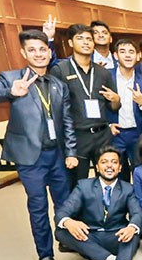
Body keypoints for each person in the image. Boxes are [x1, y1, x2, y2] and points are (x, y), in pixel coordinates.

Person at [0, 29, 77, 260]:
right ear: (23, 52)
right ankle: (45, 254)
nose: (38, 54)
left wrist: (71, 151)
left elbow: (67, 122)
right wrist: (10, 92)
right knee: (38, 206)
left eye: (42, 49)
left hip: (58, 156)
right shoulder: (12, 79)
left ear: (49, 52)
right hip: (31, 158)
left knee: (64, 203)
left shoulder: (58, 85)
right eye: (32, 50)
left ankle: (65, 239)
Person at [54, 146, 142, 260]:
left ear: (120, 167)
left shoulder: (128, 189)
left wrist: (131, 227)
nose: (109, 166)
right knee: (61, 231)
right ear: (97, 166)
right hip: (89, 238)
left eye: (114, 162)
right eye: (104, 162)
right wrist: (69, 222)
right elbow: (61, 213)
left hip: (116, 236)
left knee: (134, 233)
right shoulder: (84, 186)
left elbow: (137, 214)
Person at [49, 23, 120, 181]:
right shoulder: (60, 70)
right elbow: (55, 109)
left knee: (109, 178)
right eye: (80, 39)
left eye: (89, 39)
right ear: (70, 43)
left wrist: (116, 100)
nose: (86, 42)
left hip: (102, 135)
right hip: (77, 136)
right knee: (77, 182)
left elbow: (113, 108)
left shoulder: (103, 72)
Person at [109, 39, 142, 180]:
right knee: (118, 174)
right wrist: (106, 125)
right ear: (115, 55)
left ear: (138, 56)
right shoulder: (106, 76)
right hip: (115, 134)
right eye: (123, 51)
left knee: (140, 173)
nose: (127, 55)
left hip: (137, 134)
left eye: (131, 52)